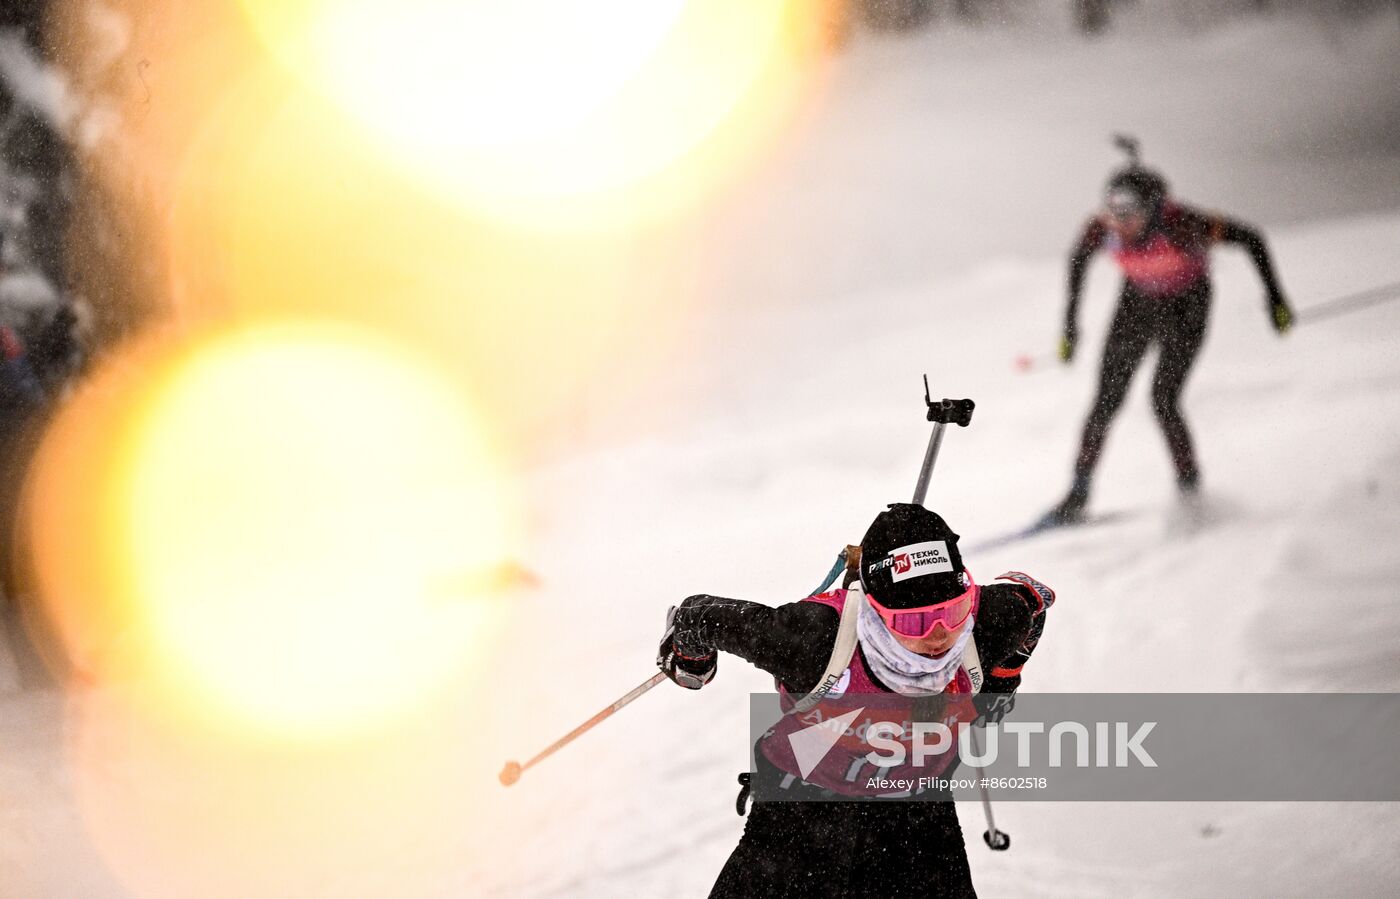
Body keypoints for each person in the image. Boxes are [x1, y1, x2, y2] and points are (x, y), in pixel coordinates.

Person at [656, 503, 1054, 898]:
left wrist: (1003, 681)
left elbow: (1033, 602)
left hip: (917, 816)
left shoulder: (988, 623)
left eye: (952, 611)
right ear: (874, 609)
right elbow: (697, 616)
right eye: (914, 621)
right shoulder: (813, 639)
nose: (939, 635)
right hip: (801, 812)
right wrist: (690, 660)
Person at [1047, 150, 1294, 523]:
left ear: (1153, 208)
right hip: (1137, 304)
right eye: (1112, 209)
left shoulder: (1181, 223)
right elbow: (1077, 261)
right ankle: (1077, 495)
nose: (1119, 221)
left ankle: (1190, 493)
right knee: (1105, 402)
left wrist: (1276, 298)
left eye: (1129, 211)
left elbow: (1251, 238)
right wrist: (1070, 326)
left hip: (1186, 308)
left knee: (1163, 399)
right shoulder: (1102, 228)